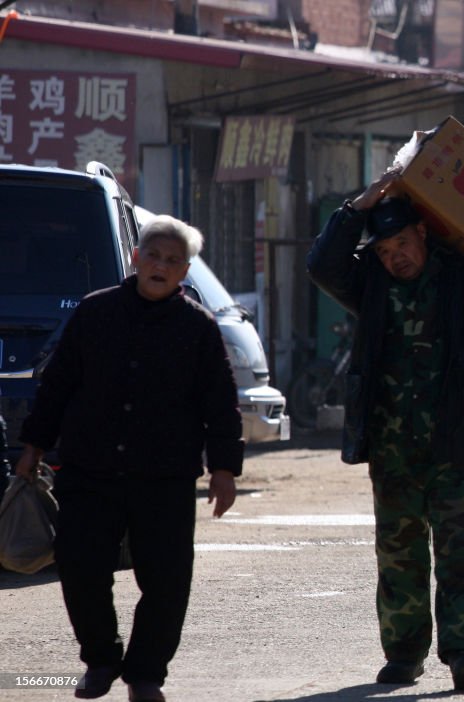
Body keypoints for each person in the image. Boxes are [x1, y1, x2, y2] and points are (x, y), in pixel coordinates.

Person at [306, 170, 464, 689]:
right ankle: (404, 654)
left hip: (457, 443)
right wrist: (360, 205)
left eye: (401, 244)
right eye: (384, 250)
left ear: (421, 232)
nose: (395, 257)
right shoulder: (369, 284)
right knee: (399, 555)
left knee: (462, 552)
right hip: (392, 447)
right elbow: (323, 264)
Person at [14, 215, 243, 702]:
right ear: (136, 258)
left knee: (166, 580)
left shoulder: (197, 328)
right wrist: (33, 446)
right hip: (88, 468)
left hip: (165, 476)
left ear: (185, 272)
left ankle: (145, 675)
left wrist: (224, 469)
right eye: (153, 256)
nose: (160, 266)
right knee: (80, 567)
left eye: (172, 261)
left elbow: (220, 402)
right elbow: (57, 386)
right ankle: (100, 659)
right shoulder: (96, 313)